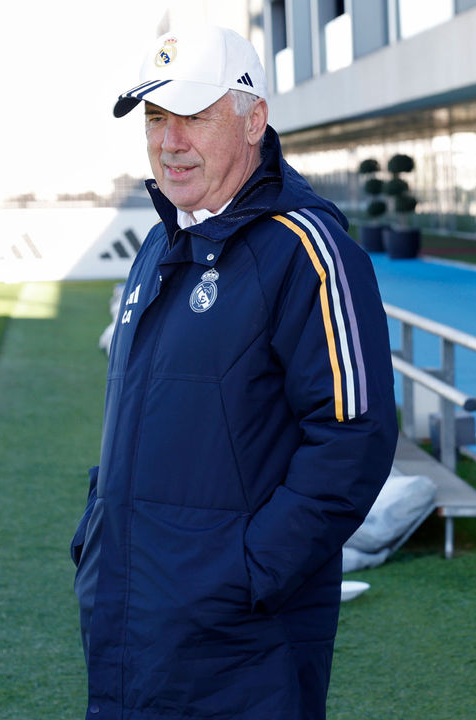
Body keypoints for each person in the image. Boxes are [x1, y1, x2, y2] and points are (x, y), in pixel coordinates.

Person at [70, 25, 397, 720]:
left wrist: (244, 574)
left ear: (254, 120)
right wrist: (97, 532)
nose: (169, 141)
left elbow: (354, 436)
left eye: (192, 116)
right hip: (132, 615)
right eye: (157, 119)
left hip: (240, 645)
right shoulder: (160, 245)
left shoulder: (307, 250)